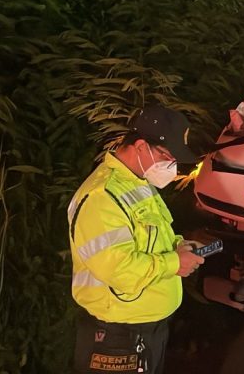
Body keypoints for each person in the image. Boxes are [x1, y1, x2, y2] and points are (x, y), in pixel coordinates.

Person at [68, 105, 205, 373]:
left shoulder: (138, 183)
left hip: (146, 330)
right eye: (167, 156)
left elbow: (150, 237)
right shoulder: (102, 197)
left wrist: (178, 246)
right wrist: (173, 264)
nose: (172, 167)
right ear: (141, 146)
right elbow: (119, 270)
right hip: (117, 338)